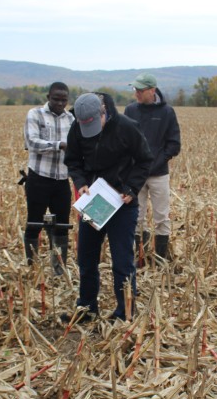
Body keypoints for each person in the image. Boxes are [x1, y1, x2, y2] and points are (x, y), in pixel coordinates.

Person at [64, 92, 153, 320]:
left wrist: (132, 189)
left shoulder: (127, 127)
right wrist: (81, 183)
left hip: (122, 203)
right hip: (95, 201)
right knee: (87, 258)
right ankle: (86, 308)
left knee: (122, 262)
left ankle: (125, 313)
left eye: (95, 124)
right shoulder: (77, 127)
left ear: (103, 112)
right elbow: (73, 160)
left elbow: (145, 160)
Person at [124, 73, 181, 262]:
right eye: (135, 90)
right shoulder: (130, 111)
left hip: (158, 175)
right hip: (135, 176)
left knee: (161, 217)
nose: (137, 94)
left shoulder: (167, 112)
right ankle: (139, 257)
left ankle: (160, 259)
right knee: (136, 217)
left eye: (140, 90)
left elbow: (174, 144)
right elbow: (124, 141)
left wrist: (156, 162)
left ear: (152, 90)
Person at [23, 82, 73, 274]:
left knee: (61, 225)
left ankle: (59, 269)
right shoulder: (35, 114)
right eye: (56, 99)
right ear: (48, 97)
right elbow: (32, 142)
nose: (60, 103)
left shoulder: (71, 119)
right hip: (39, 178)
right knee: (34, 222)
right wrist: (59, 145)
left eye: (64, 100)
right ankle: (32, 268)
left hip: (62, 180)